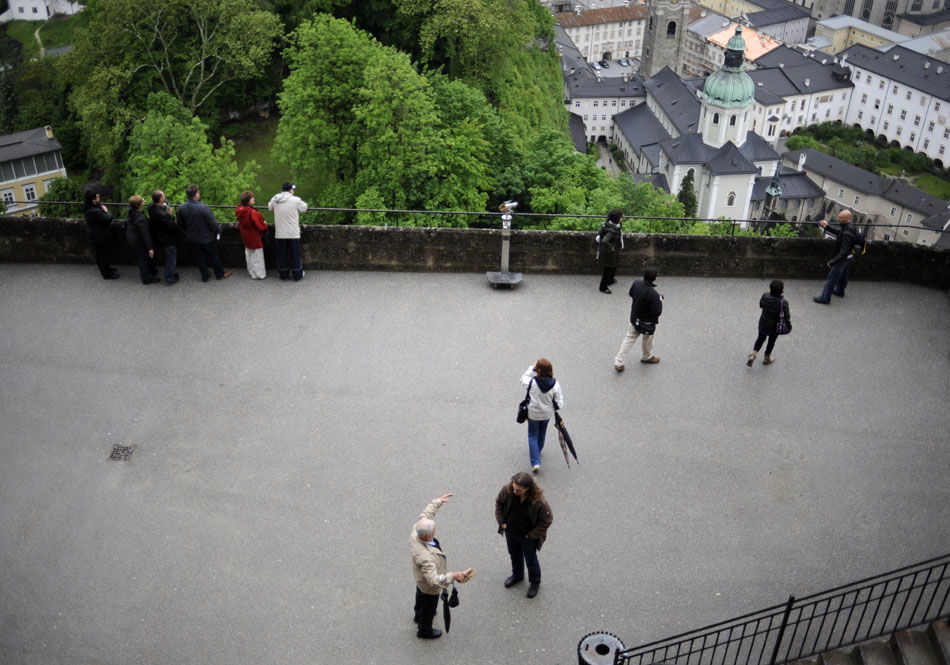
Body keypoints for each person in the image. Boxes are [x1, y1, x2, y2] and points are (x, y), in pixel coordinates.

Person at [409, 493, 470, 639]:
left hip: (420, 579)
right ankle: (424, 630)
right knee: (429, 605)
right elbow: (434, 580)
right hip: (429, 585)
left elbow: (426, 515)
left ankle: (418, 614)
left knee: (420, 595)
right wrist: (453, 576)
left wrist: (438, 502)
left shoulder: (416, 531)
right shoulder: (425, 558)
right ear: (429, 536)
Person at [494, 472, 553, 599]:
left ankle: (535, 582)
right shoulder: (508, 490)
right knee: (514, 555)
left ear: (527, 488)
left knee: (531, 560)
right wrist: (502, 522)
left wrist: (531, 535)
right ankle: (517, 575)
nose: (514, 491)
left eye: (518, 490)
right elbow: (499, 503)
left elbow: (547, 520)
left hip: (527, 537)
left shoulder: (539, 501)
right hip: (511, 532)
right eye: (514, 487)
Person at [178, 184, 232, 282]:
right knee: (214, 256)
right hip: (207, 238)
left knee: (199, 258)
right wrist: (219, 230)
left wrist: (187, 233)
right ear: (195, 195)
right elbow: (213, 222)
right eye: (198, 192)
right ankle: (219, 274)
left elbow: (180, 223)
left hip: (193, 238)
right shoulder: (203, 207)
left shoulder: (181, 207)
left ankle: (205, 276)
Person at [614, 266, 663, 370]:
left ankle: (619, 362)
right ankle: (646, 356)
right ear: (654, 278)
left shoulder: (636, 283)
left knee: (629, 339)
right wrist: (659, 300)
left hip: (635, 318)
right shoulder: (654, 294)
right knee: (648, 340)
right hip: (647, 323)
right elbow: (657, 312)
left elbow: (631, 294)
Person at [520, 359, 564, 474]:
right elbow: (559, 402)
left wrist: (532, 368)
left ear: (538, 370)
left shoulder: (531, 382)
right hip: (547, 414)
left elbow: (523, 378)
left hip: (533, 414)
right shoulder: (555, 384)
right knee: (542, 432)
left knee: (532, 435)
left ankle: (535, 462)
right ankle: (537, 451)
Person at [813, 210, 856, 304]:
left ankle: (825, 298)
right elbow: (839, 232)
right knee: (843, 275)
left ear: (847, 219)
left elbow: (843, 251)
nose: (838, 219)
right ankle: (840, 291)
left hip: (842, 258)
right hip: (849, 257)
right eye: (839, 216)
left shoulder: (846, 232)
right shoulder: (849, 227)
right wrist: (827, 226)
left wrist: (833, 262)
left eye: (841, 218)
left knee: (832, 278)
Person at [268, 182, 308, 281]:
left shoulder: (275, 199)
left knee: (282, 254)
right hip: (293, 232)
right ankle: (297, 274)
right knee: (295, 254)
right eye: (293, 189)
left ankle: (283, 274)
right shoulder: (295, 200)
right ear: (290, 190)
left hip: (280, 232)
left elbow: (270, 208)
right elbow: (304, 208)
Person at [747, 279, 790, 367]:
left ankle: (753, 354)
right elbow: (786, 316)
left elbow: (761, 305)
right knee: (771, 341)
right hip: (774, 327)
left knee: (760, 338)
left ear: (770, 288)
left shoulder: (765, 296)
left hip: (763, 322)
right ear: (782, 290)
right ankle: (767, 358)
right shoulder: (783, 302)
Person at [83, 189, 118, 279]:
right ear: (93, 200)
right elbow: (108, 218)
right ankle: (106, 274)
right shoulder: (93, 211)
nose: (99, 197)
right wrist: (106, 211)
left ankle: (106, 269)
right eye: (97, 197)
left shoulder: (90, 206)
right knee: (103, 254)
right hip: (99, 236)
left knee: (101, 254)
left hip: (96, 234)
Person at [147, 190, 180, 285]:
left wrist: (163, 207)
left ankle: (169, 276)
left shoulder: (151, 207)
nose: (165, 198)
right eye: (164, 196)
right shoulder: (162, 215)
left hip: (158, 236)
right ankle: (169, 278)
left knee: (169, 257)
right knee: (171, 259)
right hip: (167, 239)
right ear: (161, 199)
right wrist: (170, 214)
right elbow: (171, 225)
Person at [126, 195, 160, 284]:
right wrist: (150, 248)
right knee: (143, 260)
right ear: (140, 205)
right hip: (139, 241)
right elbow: (145, 235)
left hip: (133, 239)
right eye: (142, 202)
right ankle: (147, 279)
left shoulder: (131, 212)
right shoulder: (141, 218)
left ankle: (152, 271)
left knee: (143, 258)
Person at [236, 191, 268, 280]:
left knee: (249, 255)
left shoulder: (239, 210)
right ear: (249, 200)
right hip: (254, 237)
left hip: (246, 236)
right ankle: (259, 274)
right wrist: (265, 224)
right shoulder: (252, 212)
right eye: (252, 198)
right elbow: (260, 226)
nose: (253, 198)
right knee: (257, 256)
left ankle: (251, 272)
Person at [595, 208, 624, 293]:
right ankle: (603, 287)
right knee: (607, 269)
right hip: (609, 253)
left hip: (612, 253)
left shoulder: (611, 225)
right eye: (621, 217)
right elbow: (604, 241)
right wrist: (612, 247)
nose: (622, 218)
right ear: (618, 219)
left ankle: (610, 280)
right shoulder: (611, 230)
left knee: (613, 266)